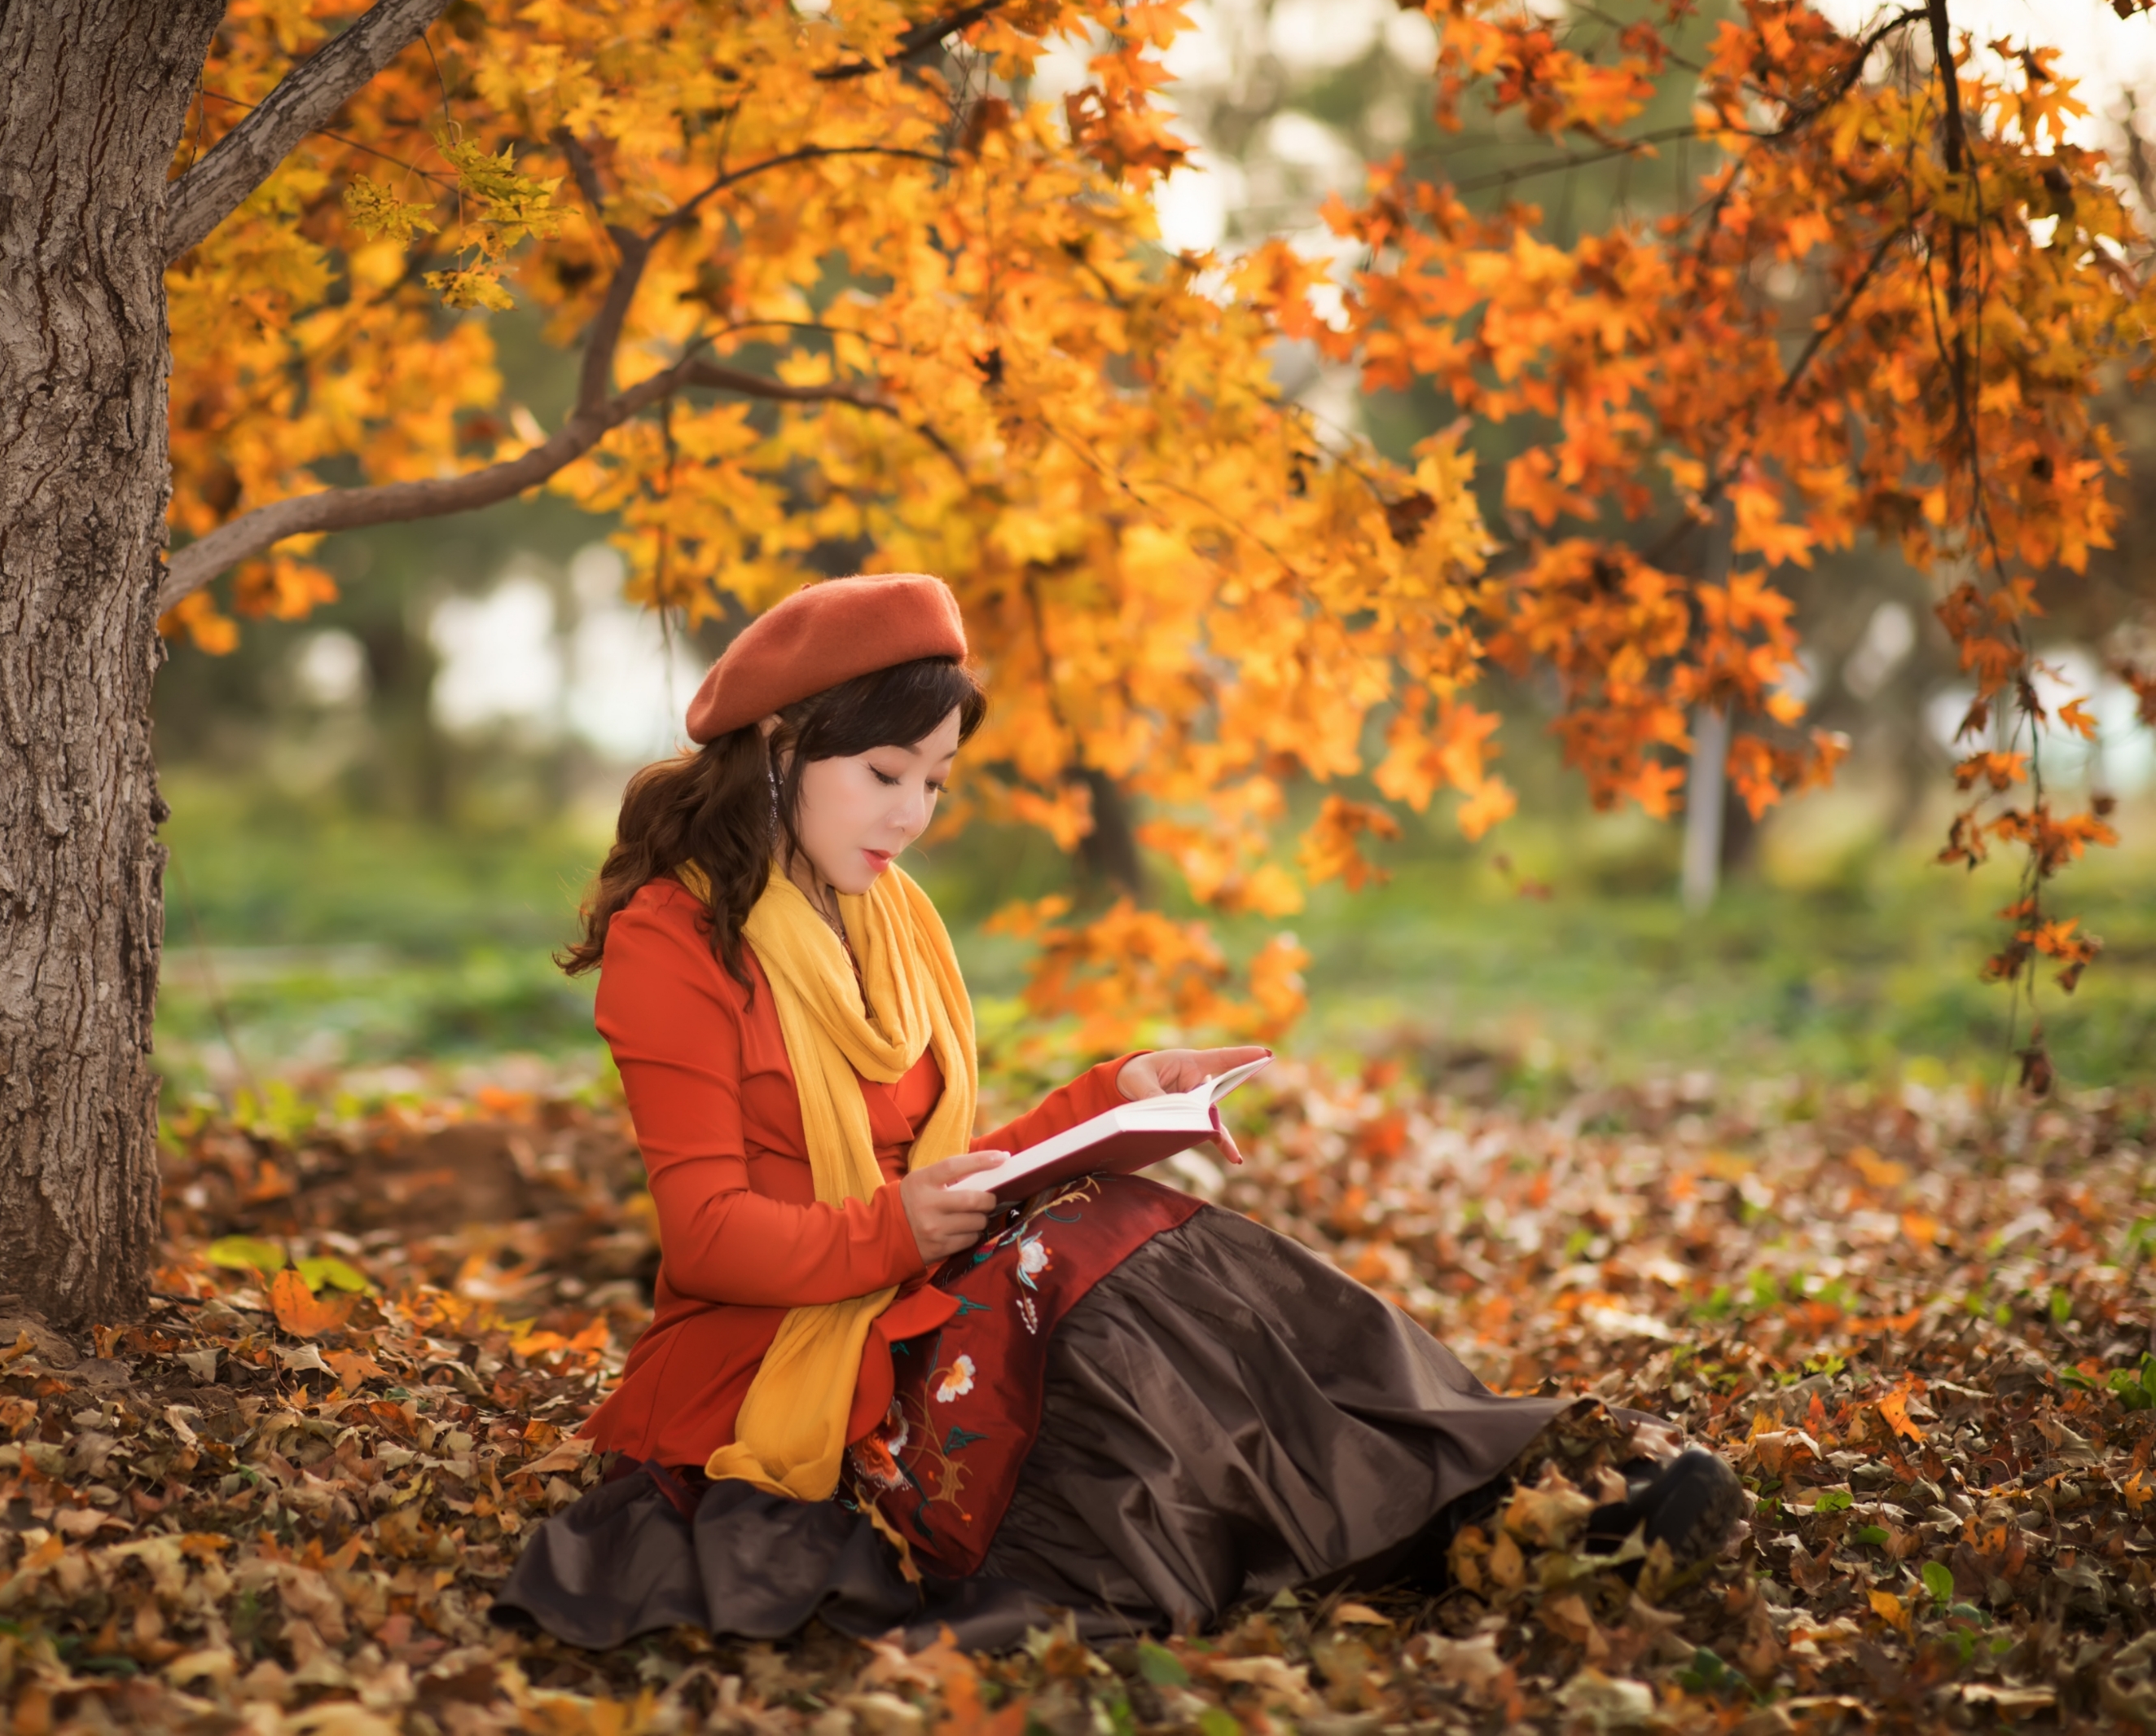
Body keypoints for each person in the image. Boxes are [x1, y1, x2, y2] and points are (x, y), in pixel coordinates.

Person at [494, 574, 1737, 1650]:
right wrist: (894, 1233)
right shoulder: (678, 937)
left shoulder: (886, 916)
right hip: (768, 1356)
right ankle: (1470, 1518)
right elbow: (707, 1234)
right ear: (778, 747)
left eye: (935, 781)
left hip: (904, 1285)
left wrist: (1117, 1093)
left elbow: (945, 1170)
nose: (912, 815)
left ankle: (1496, 1499)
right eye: (883, 774)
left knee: (1136, 1220)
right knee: (1080, 1250)